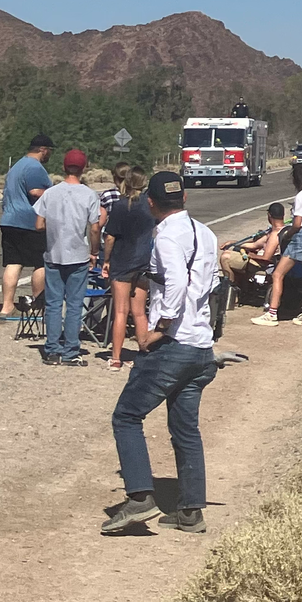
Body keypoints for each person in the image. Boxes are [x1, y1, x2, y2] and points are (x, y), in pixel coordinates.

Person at [102, 171, 219, 537]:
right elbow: (210, 284)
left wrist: (160, 329)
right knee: (186, 429)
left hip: (174, 345)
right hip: (201, 345)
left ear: (151, 202)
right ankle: (190, 511)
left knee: (126, 416)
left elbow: (177, 284)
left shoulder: (167, 236)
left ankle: (140, 497)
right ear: (183, 199)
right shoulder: (206, 233)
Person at [35, 149, 105, 366]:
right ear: (84, 169)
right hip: (78, 255)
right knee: (74, 304)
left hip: (54, 253)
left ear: (64, 167)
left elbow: (39, 224)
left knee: (54, 303)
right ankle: (71, 350)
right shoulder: (89, 194)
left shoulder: (50, 193)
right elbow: (94, 228)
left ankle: (52, 349)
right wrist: (94, 252)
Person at [102, 167, 155, 368]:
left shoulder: (120, 206)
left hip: (122, 261)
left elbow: (110, 237)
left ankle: (116, 358)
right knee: (139, 312)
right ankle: (143, 352)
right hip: (143, 260)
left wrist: (106, 260)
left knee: (120, 312)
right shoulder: (150, 206)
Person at [0, 135, 54, 323]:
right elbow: (36, 192)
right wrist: (56, 193)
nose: (49, 155)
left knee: (14, 263)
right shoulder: (34, 167)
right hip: (29, 221)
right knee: (40, 262)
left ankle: (7, 306)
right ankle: (38, 305)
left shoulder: (17, 166)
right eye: (50, 151)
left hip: (9, 219)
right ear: (43, 149)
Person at [265, 168, 302, 320]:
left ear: (294, 180)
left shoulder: (300, 197)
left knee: (278, 274)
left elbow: (297, 223)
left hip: (301, 235)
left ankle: (272, 313)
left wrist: (289, 234)